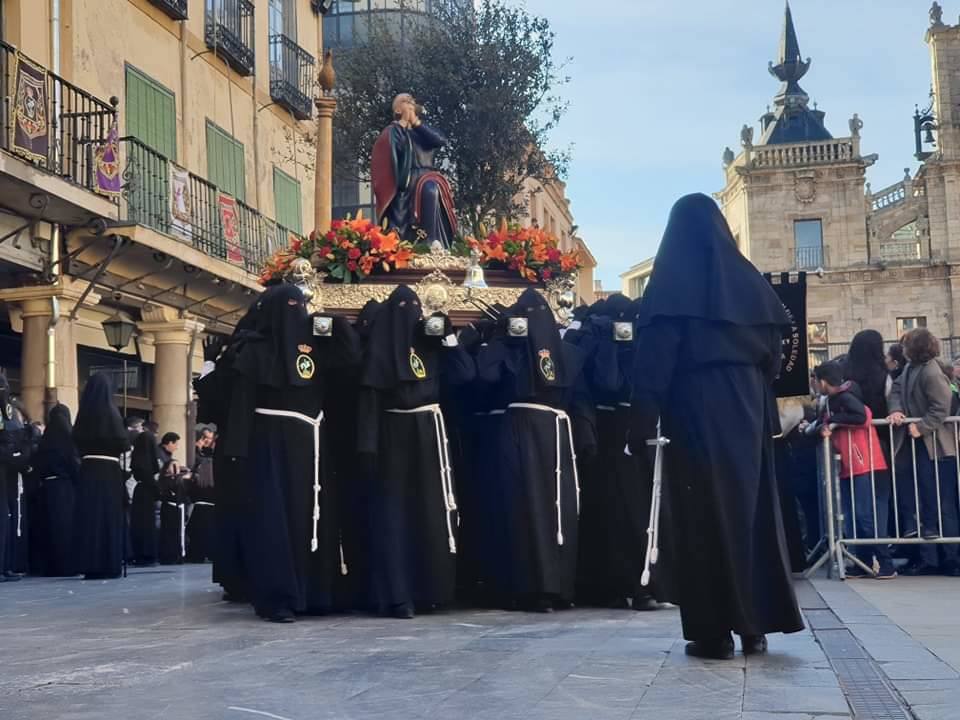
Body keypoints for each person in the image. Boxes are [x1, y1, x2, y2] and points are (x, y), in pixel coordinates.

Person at [628, 193, 803, 660]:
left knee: (706, 517)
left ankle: (714, 632)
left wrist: (640, 427)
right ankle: (755, 627)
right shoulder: (750, 288)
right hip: (747, 412)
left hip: (696, 410)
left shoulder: (672, 287)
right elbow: (774, 357)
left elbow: (654, 364)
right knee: (750, 515)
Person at [223, 284, 362, 622]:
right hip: (271, 442)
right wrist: (237, 451)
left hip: (313, 441)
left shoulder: (316, 345)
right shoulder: (254, 351)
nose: (296, 312)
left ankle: (316, 592)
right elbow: (241, 404)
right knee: (276, 520)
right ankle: (278, 597)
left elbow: (351, 360)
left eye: (301, 305)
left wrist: (334, 323)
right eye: (290, 306)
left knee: (314, 517)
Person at [358, 285, 474, 618]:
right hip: (393, 437)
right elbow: (369, 401)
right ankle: (397, 595)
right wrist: (367, 447)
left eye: (414, 307)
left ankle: (431, 590)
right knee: (395, 518)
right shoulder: (378, 352)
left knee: (431, 514)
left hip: (429, 434)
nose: (410, 313)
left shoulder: (430, 343)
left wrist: (448, 337)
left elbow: (466, 375)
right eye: (403, 307)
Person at [477, 288, 589, 613]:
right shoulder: (512, 351)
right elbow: (485, 375)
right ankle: (531, 587)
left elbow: (580, 397)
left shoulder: (567, 353)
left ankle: (559, 585)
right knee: (523, 506)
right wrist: (504, 339)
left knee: (558, 509)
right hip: (521, 428)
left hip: (553, 431)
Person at [566, 293, 659, 610]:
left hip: (632, 431)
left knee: (637, 511)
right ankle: (614, 584)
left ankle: (641, 582)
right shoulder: (592, 337)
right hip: (605, 434)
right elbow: (606, 381)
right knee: (611, 513)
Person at [810, 362, 895, 579]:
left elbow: (862, 417)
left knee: (865, 515)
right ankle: (863, 561)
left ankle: (885, 562)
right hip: (851, 463)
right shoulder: (835, 399)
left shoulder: (845, 398)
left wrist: (833, 421)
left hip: (862, 461)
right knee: (853, 516)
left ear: (822, 381)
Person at [888, 328, 960, 576]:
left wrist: (921, 426)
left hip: (937, 447)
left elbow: (942, 407)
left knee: (941, 503)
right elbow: (896, 389)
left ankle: (951, 558)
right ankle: (930, 558)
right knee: (925, 502)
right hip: (921, 445)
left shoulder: (931, 371)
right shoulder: (910, 369)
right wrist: (896, 409)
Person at [371, 93, 458, 248]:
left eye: (412, 101)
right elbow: (393, 152)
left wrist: (416, 123)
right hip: (405, 183)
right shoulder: (393, 132)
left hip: (427, 176)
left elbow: (439, 140)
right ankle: (410, 247)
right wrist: (403, 123)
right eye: (405, 101)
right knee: (400, 226)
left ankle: (434, 243)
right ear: (398, 110)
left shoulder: (422, 131)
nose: (410, 103)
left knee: (431, 190)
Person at [73, 373, 131, 580]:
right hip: (110, 471)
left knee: (90, 518)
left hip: (89, 469)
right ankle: (109, 562)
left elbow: (76, 440)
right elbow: (123, 444)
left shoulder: (84, 414)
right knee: (109, 518)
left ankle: (90, 563)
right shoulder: (112, 413)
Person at [29, 404, 80, 576]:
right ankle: (66, 565)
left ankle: (49, 566)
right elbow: (74, 465)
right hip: (65, 489)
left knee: (48, 528)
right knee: (65, 528)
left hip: (46, 489)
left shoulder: (44, 441)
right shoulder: (69, 440)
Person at [129, 427, 161, 566]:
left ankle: (140, 553)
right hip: (146, 492)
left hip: (140, 491)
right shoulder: (146, 462)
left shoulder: (138, 459)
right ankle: (147, 553)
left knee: (140, 524)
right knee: (147, 524)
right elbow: (150, 476)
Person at [186, 427, 216, 563]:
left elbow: (191, 493)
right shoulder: (215, 482)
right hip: (212, 509)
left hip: (199, 509)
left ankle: (195, 555)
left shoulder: (198, 481)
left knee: (197, 533)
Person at [158, 458, 188, 565]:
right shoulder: (164, 480)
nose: (176, 469)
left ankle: (178, 554)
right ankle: (167, 555)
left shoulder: (180, 480)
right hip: (168, 507)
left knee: (178, 533)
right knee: (168, 532)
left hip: (178, 507)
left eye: (177, 466)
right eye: (173, 466)